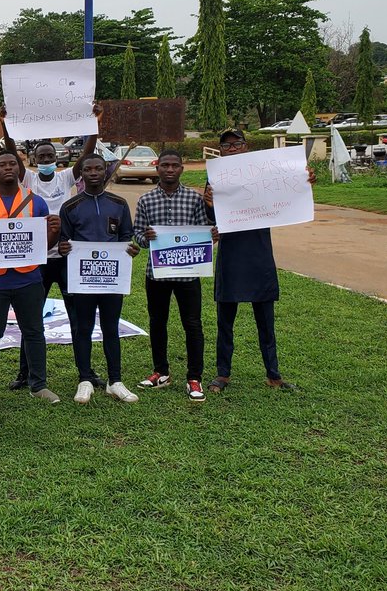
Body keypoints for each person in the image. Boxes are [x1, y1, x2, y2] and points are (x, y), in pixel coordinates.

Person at [0, 105, 102, 390]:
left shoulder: (66, 177)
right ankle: (24, 373)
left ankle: (86, 372)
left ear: (57, 158)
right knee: (31, 320)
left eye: (50, 156)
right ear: (33, 159)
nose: (46, 159)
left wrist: (94, 124)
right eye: (41, 156)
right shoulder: (28, 179)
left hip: (65, 256)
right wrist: (5, 124)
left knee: (78, 318)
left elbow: (86, 155)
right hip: (37, 259)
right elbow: (10, 151)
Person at [204, 129, 314, 393]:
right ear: (221, 151)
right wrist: (208, 204)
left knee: (266, 322)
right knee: (225, 321)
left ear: (246, 147)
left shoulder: (265, 172)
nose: (232, 149)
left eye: (237, 144)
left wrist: (304, 180)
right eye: (226, 146)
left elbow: (289, 193)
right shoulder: (216, 177)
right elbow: (212, 220)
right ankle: (223, 374)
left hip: (260, 255)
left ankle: (273, 375)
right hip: (231, 256)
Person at [0, 150, 61, 407]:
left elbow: (41, 247)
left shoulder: (37, 203)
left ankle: (38, 385)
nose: (8, 168)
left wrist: (54, 232)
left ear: (20, 169)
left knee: (34, 331)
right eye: (2, 164)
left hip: (28, 279)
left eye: (12, 164)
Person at [58, 153, 141, 404]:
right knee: (82, 328)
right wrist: (64, 248)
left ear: (106, 171)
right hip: (83, 279)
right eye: (88, 169)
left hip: (111, 279)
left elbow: (126, 237)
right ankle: (84, 379)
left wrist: (131, 249)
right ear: (81, 174)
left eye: (98, 169)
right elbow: (63, 240)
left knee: (110, 328)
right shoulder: (70, 206)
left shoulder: (119, 204)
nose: (93, 173)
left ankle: (115, 381)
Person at [132, 149, 210, 401]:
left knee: (193, 324)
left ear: (181, 169)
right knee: (157, 322)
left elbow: (203, 230)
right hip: (157, 273)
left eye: (174, 165)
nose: (169, 169)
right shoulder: (146, 200)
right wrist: (146, 238)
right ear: (157, 168)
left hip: (188, 274)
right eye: (164, 165)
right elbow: (137, 234)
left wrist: (211, 236)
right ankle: (161, 372)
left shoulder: (194, 198)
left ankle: (194, 377)